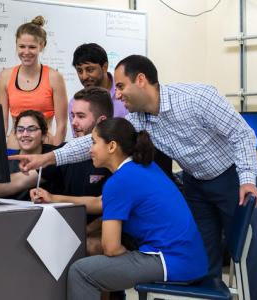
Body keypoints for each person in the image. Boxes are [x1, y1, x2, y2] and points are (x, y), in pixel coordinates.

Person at [10, 55, 257, 300]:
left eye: (121, 86)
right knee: (205, 256)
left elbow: (242, 135)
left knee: (246, 254)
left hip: (231, 177)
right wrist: (47, 158)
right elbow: (93, 140)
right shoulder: (139, 120)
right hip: (195, 181)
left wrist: (247, 178)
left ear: (141, 80)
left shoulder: (196, 98)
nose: (117, 94)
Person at [66, 118, 208, 300]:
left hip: (170, 262)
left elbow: (110, 248)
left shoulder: (120, 181)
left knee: (81, 272)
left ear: (111, 146)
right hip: (191, 260)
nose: (90, 149)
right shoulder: (143, 168)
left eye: (94, 142)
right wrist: (54, 198)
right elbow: (103, 203)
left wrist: (125, 254)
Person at [33, 86, 113, 255]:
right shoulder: (64, 151)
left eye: (81, 116)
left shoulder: (114, 157)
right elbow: (20, 180)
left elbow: (108, 207)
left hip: (100, 232)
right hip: (67, 229)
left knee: (91, 245)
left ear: (101, 121)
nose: (73, 122)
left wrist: (82, 231)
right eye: (72, 115)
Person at [0, 16, 67, 148]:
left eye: (32, 47)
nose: (26, 52)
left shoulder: (54, 78)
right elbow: (2, 122)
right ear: (16, 45)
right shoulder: (5, 76)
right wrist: (0, 153)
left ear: (42, 46)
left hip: (44, 149)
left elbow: (62, 125)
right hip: (14, 148)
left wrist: (55, 155)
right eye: (22, 46)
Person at [0, 110, 62, 199]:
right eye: (20, 129)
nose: (25, 134)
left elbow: (18, 182)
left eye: (31, 129)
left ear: (44, 134)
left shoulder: (53, 156)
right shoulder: (7, 159)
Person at [69, 43, 128, 133]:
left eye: (90, 70)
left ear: (104, 67)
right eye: (79, 71)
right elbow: (78, 140)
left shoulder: (125, 95)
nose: (84, 76)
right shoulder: (74, 104)